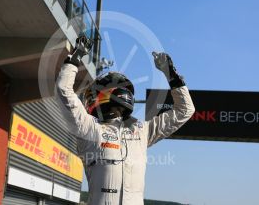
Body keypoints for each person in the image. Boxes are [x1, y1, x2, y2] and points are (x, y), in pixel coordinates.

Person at [55, 36, 195, 205]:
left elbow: (185, 110)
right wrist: (75, 57)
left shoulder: (141, 131)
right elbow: (63, 90)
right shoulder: (90, 129)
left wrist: (171, 75)